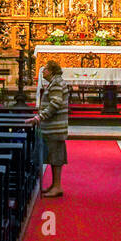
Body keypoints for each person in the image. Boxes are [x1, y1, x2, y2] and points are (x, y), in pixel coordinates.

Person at [38, 59, 69, 197]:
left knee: (56, 156)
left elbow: (55, 103)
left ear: (50, 71)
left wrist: (40, 117)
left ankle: (57, 186)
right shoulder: (55, 82)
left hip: (54, 127)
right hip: (54, 127)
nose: (43, 71)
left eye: (44, 69)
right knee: (53, 155)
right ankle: (55, 184)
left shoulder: (56, 83)